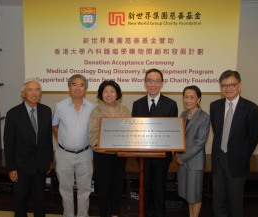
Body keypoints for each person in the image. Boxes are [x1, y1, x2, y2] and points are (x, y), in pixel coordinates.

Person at [210, 70, 258, 217]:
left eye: (232, 84)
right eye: (224, 85)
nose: (228, 88)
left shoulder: (251, 108)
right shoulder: (215, 106)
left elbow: (254, 136)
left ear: (239, 86)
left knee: (235, 203)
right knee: (219, 201)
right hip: (218, 160)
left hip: (238, 162)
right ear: (220, 87)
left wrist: (242, 155)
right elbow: (217, 132)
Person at [132, 68, 178, 217]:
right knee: (144, 189)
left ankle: (159, 215)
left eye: (157, 81)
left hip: (162, 156)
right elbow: (135, 130)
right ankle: (146, 213)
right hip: (143, 156)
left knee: (159, 189)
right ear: (145, 83)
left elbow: (172, 132)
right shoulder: (137, 104)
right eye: (150, 80)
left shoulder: (171, 104)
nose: (153, 84)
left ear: (162, 83)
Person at [4, 78, 53, 217]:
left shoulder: (46, 111)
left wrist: (49, 160)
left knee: (40, 199)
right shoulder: (13, 114)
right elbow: (8, 143)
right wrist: (11, 167)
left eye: (37, 89)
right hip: (20, 166)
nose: (34, 93)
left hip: (40, 164)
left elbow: (48, 138)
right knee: (20, 199)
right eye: (30, 90)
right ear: (23, 94)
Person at [52, 74, 96, 217]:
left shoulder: (92, 108)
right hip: (64, 154)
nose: (78, 88)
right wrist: (66, 140)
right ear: (69, 87)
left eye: (81, 85)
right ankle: (68, 215)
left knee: (85, 189)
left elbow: (95, 130)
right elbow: (54, 126)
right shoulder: (59, 106)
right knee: (65, 188)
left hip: (85, 153)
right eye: (74, 85)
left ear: (86, 88)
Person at [89, 80, 131, 217]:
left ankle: (114, 214)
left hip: (120, 154)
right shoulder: (96, 111)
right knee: (103, 188)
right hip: (103, 155)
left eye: (112, 91)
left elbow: (130, 130)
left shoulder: (124, 110)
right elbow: (93, 132)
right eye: (105, 91)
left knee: (117, 187)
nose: (109, 94)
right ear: (101, 94)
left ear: (117, 94)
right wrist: (97, 146)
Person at [175, 85, 210, 217]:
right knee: (188, 195)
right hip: (182, 161)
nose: (188, 100)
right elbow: (178, 137)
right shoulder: (183, 114)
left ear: (199, 99)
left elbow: (199, 143)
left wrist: (182, 157)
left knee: (195, 195)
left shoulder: (204, 117)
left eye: (192, 97)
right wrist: (177, 154)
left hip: (194, 163)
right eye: (186, 97)